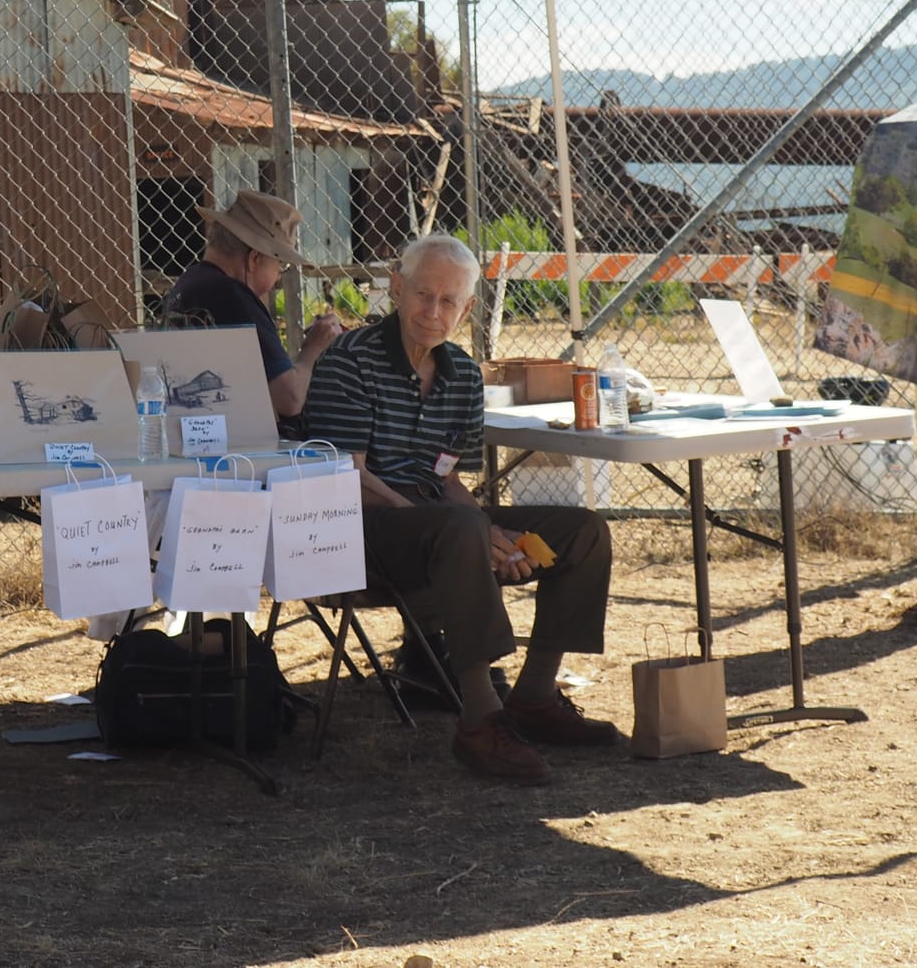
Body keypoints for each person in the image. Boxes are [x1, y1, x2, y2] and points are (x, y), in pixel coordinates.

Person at [303, 233, 616, 784]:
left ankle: (535, 698)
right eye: (423, 294)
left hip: (440, 529)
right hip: (357, 532)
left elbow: (447, 480)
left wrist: (491, 530)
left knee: (584, 531)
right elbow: (344, 476)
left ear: (467, 309)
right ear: (396, 289)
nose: (432, 311)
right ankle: (480, 720)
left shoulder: (464, 376)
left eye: (448, 302)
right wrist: (462, 526)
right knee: (458, 527)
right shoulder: (347, 362)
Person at [160, 190, 341, 433]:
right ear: (254, 259)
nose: (278, 278)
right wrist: (313, 348)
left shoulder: (189, 283)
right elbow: (290, 399)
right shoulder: (232, 295)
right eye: (280, 265)